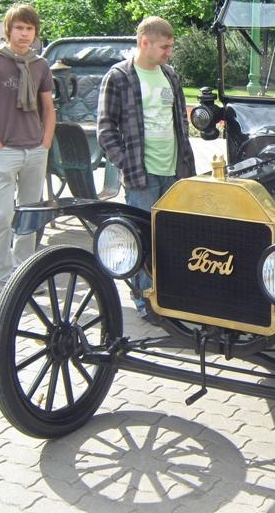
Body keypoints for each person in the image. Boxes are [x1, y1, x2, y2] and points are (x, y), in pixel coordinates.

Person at [97, 16, 195, 324]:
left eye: (171, 46)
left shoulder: (170, 75)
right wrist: (126, 162)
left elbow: (180, 122)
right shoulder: (119, 77)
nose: (169, 52)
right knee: (142, 239)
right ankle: (145, 301)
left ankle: (169, 296)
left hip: (174, 172)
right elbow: (105, 129)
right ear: (144, 42)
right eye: (165, 47)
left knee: (172, 237)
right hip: (142, 175)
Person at [0, 4, 56, 310]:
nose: (24, 34)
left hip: (35, 150)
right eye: (19, 28)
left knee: (29, 217)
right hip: (4, 150)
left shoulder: (40, 64)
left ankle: (24, 276)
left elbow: (48, 107)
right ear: (8, 30)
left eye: (29, 28)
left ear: (36, 32)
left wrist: (45, 142)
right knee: (2, 217)